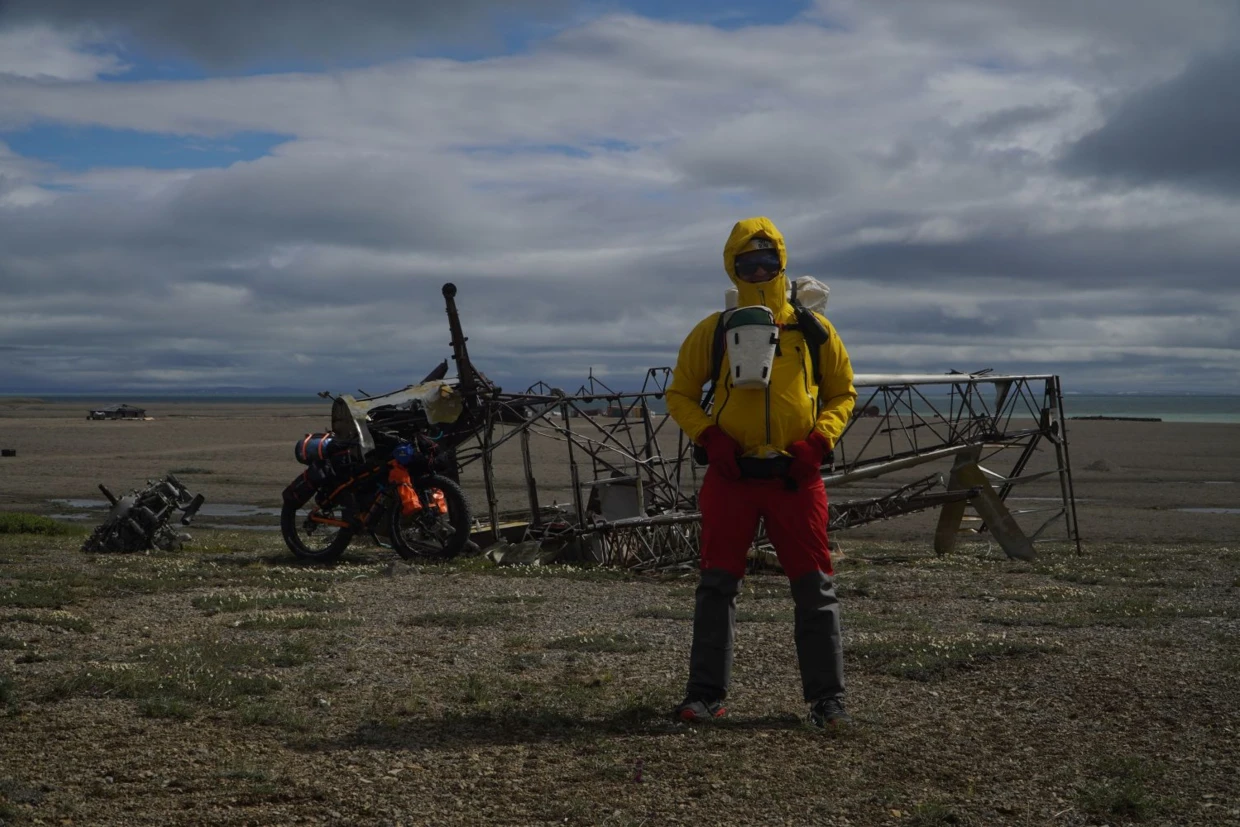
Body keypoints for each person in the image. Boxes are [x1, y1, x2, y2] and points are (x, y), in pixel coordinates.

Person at [665, 216, 857, 727]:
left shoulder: (813, 330)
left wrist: (820, 440)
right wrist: (710, 437)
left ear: (781, 262)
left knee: (815, 587)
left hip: (797, 477)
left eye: (766, 260)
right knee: (716, 585)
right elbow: (680, 393)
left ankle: (827, 700)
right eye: (746, 261)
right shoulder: (714, 331)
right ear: (732, 266)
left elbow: (843, 392)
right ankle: (704, 695)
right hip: (732, 478)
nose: (756, 268)